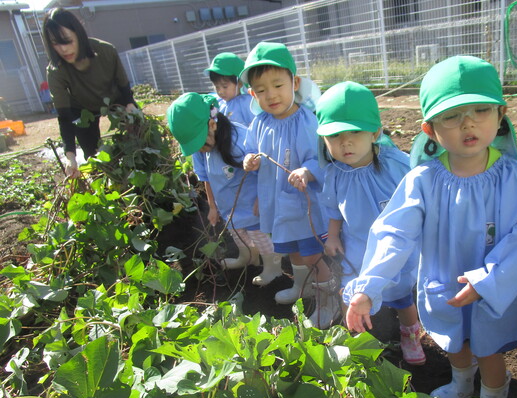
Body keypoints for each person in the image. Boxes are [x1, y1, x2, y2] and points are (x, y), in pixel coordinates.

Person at [344, 56, 517, 398]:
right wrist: (369, 285)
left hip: (491, 286)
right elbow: (394, 233)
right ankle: (461, 383)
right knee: (455, 342)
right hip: (445, 284)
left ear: (501, 116)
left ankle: (494, 397)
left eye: (481, 110)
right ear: (430, 130)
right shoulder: (422, 181)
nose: (468, 123)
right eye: (451, 116)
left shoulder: (513, 177)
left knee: (489, 347)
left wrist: (487, 280)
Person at [313, 81, 424, 365]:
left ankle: (410, 335)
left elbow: (418, 205)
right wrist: (333, 236)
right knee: (354, 293)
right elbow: (334, 208)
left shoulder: (397, 166)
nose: (345, 142)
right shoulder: (335, 172)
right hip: (357, 248)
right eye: (335, 136)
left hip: (394, 249)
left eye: (355, 132)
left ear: (375, 132)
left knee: (400, 297)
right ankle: (363, 342)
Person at [241, 41, 339, 329]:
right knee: (293, 251)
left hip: (303, 205)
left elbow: (321, 158)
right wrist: (249, 160)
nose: (270, 95)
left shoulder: (306, 121)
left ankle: (329, 299)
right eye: (261, 90)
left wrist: (307, 171)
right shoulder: (259, 123)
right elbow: (251, 150)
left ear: (294, 82)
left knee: (310, 254)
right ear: (252, 93)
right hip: (277, 204)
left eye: (277, 85)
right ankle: (303, 288)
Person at [166, 92, 282, 286]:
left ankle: (273, 268)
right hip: (230, 208)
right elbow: (205, 178)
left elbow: (267, 171)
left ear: (212, 125)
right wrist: (212, 206)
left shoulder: (242, 140)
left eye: (201, 144)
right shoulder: (201, 151)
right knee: (238, 234)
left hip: (253, 207)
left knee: (260, 237)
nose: (201, 149)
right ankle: (247, 258)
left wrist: (263, 198)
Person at [43, 7, 137, 179]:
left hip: (115, 99)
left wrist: (130, 106)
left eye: (68, 41)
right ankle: (106, 184)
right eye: (56, 43)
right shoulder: (56, 71)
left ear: (78, 34)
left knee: (138, 136)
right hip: (82, 109)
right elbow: (65, 117)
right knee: (94, 158)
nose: (63, 50)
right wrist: (70, 157)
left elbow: (124, 86)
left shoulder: (106, 51)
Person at [204, 52, 255, 127]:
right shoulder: (217, 102)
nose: (220, 91)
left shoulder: (247, 103)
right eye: (216, 87)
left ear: (240, 83)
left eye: (225, 86)